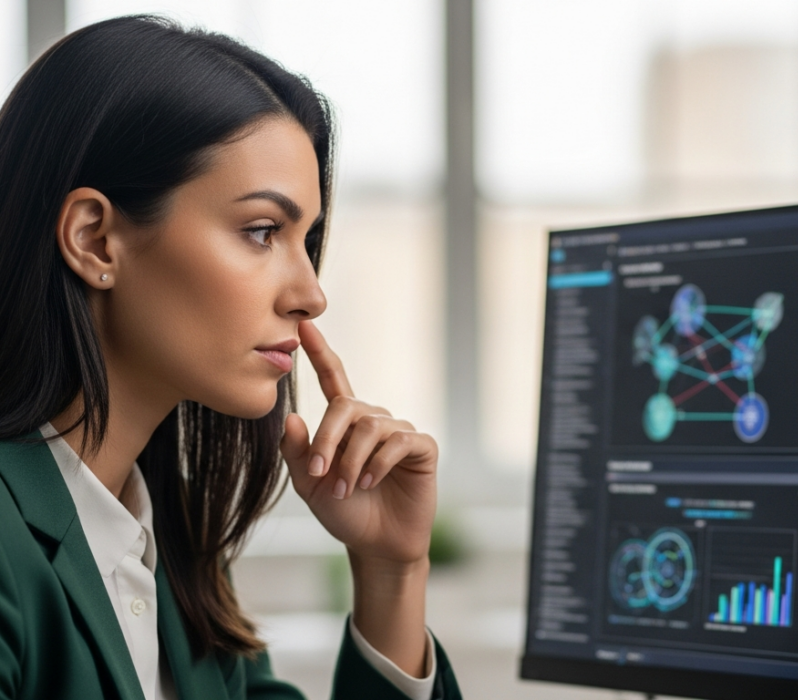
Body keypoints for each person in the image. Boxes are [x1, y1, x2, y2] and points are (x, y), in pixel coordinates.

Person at [0, 15, 461, 700]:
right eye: (260, 231)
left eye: (307, 240)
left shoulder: (167, 557)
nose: (310, 293)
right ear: (95, 240)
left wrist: (391, 569)